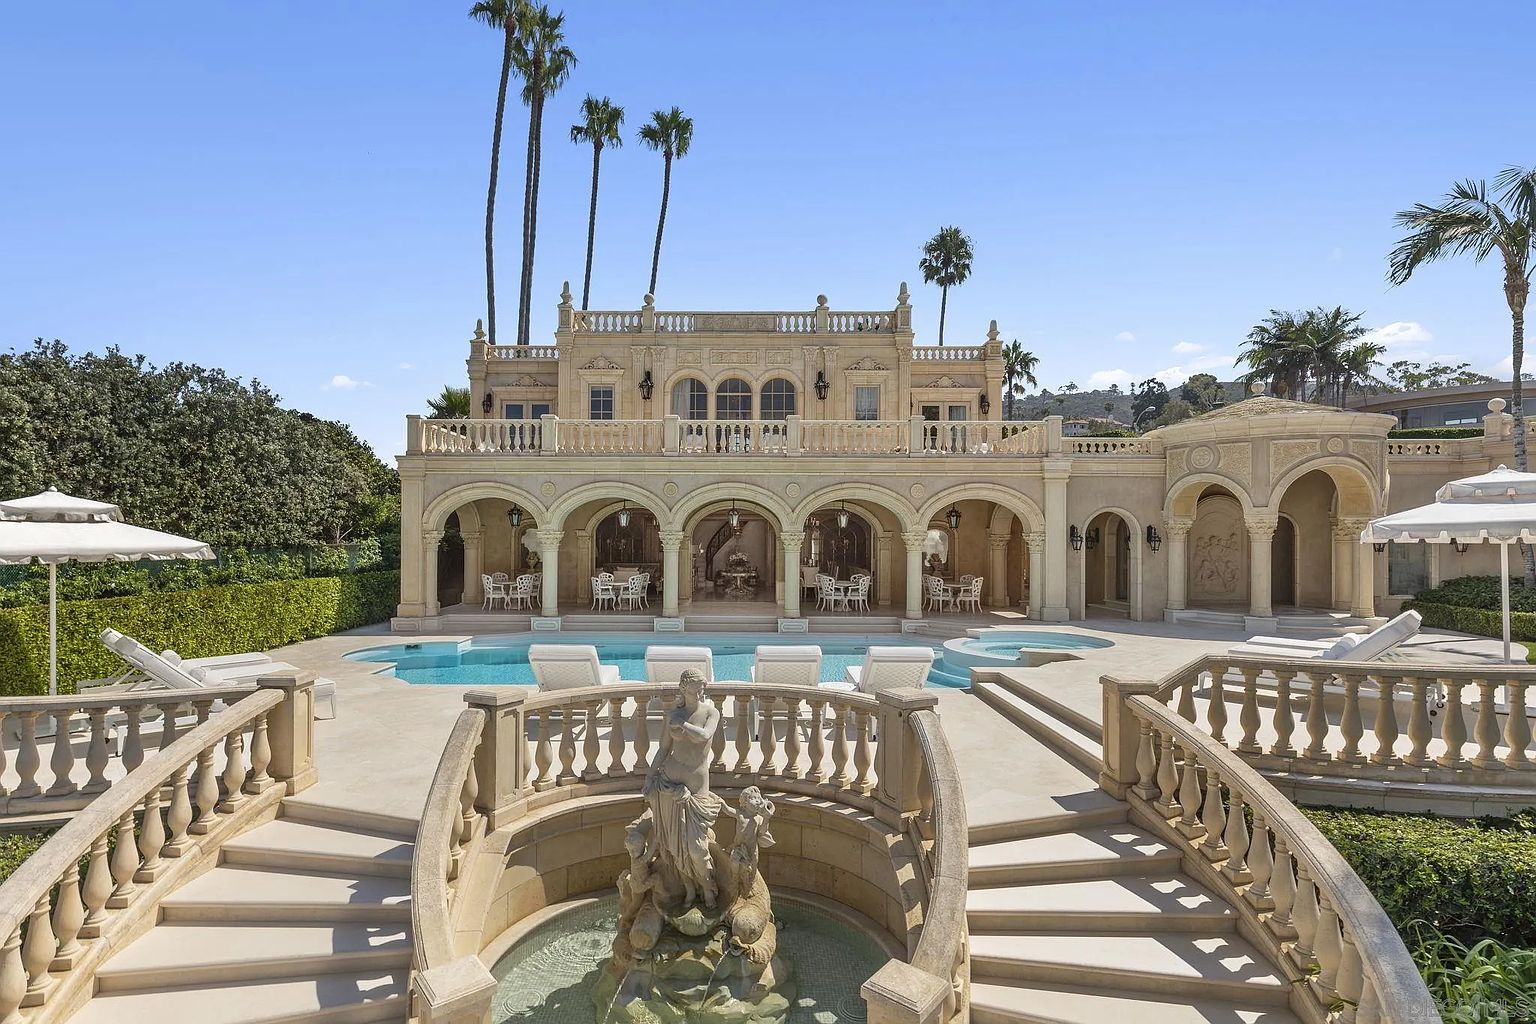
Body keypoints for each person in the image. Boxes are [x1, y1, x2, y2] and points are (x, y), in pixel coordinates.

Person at [642, 669, 724, 908]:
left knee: (696, 847)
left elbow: (704, 735)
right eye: (696, 686)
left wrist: (684, 726)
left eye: (703, 686)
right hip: (669, 782)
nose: (701, 690)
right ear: (684, 688)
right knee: (673, 845)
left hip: (696, 785)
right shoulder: (673, 714)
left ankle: (709, 887)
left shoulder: (711, 712)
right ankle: (689, 887)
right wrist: (649, 778)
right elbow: (663, 749)